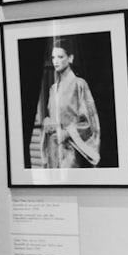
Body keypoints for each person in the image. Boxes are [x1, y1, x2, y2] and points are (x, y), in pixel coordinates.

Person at [30, 38, 101, 169]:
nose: (55, 61)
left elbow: (90, 123)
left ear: (70, 58)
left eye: (60, 57)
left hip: (72, 151)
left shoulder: (80, 85)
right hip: (54, 148)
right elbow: (51, 115)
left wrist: (67, 133)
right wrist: (47, 121)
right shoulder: (53, 89)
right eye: (53, 57)